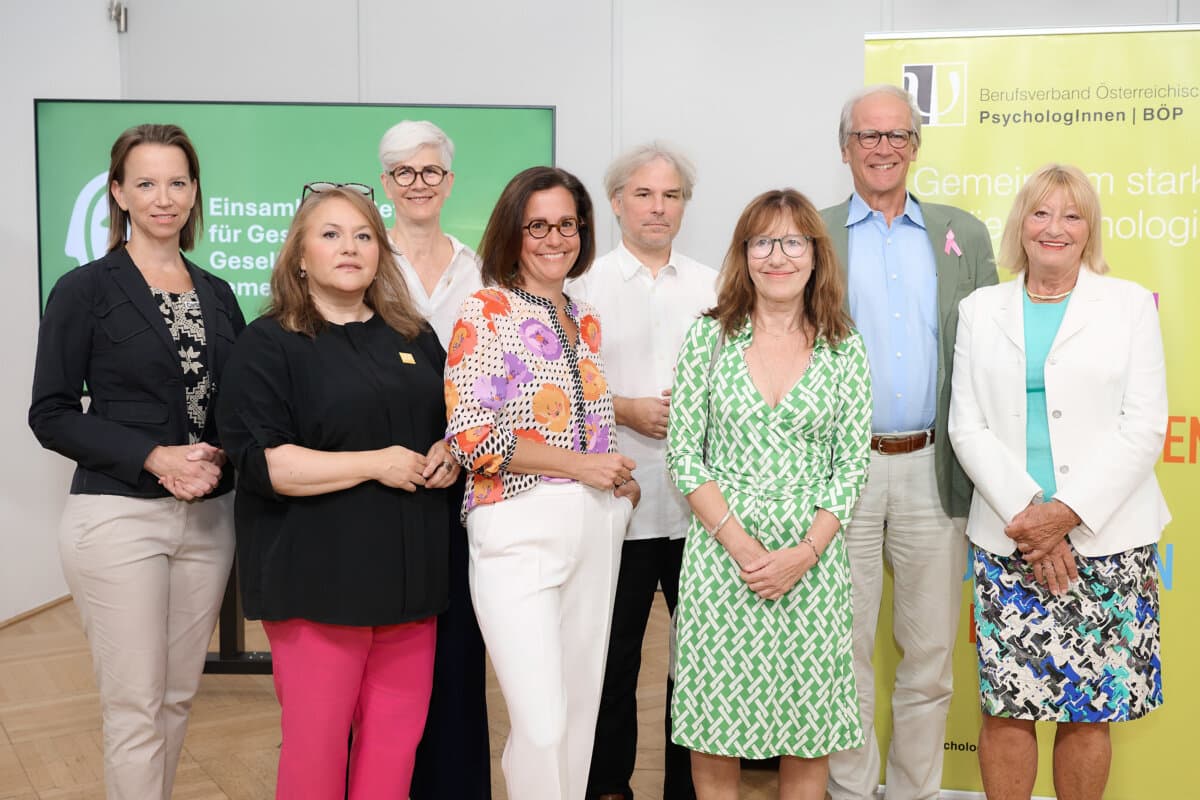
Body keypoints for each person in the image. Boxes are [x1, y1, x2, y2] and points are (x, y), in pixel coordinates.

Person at [216, 183, 456, 799]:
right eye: (330, 234)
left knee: (395, 746)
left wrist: (447, 454)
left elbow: (448, 427)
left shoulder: (414, 335)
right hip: (317, 584)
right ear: (299, 255)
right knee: (317, 747)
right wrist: (376, 463)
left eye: (363, 235)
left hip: (412, 580)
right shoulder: (267, 344)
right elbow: (268, 463)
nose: (349, 247)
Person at [29, 123, 245, 799]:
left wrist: (222, 459)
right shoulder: (84, 290)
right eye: (145, 183)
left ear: (195, 191)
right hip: (117, 518)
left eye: (177, 182)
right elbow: (52, 412)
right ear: (117, 193)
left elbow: (233, 409)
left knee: (178, 698)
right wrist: (155, 457)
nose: (163, 197)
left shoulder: (217, 294)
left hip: (209, 521)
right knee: (134, 708)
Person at [948, 163, 1169, 800]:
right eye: (1042, 213)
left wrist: (1064, 515)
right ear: (1022, 224)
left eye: (1072, 216)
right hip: (1009, 536)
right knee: (1007, 707)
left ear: (1089, 229)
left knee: (1089, 708)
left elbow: (1144, 426)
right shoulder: (979, 308)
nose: (1055, 228)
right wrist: (1033, 520)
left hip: (1108, 540)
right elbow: (968, 426)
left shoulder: (1127, 304)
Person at [821, 84, 998, 800]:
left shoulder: (963, 232)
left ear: (915, 147)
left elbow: (992, 353)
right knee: (845, 652)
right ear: (846, 149)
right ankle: (850, 791)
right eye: (869, 136)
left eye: (897, 135)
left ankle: (915, 791)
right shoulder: (814, 232)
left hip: (936, 467)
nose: (884, 147)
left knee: (928, 657)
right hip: (842, 472)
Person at [667, 188, 872, 799]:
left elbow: (850, 467)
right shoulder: (707, 338)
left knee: (807, 736)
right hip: (721, 561)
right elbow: (684, 455)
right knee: (714, 736)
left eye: (792, 242)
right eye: (762, 242)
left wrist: (802, 554)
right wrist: (743, 548)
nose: (777, 256)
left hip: (812, 565)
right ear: (744, 254)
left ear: (815, 255)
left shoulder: (844, 346)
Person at [443, 165, 640, 800]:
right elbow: (471, 435)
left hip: (595, 526)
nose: (556, 238)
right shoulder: (486, 308)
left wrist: (616, 487)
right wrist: (581, 465)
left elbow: (594, 424)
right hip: (516, 527)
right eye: (539, 226)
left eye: (568, 224)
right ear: (513, 231)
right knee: (542, 720)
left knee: (581, 718)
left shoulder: (585, 319)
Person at [569, 142, 713, 800]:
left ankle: (689, 788)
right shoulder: (581, 288)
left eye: (672, 195)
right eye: (644, 194)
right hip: (614, 506)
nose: (658, 207)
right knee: (610, 660)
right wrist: (620, 407)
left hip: (701, 511)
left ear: (685, 204)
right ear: (617, 202)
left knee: (699, 666)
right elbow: (556, 394)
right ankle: (607, 787)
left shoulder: (715, 287)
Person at [377, 119, 490, 800]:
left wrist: (457, 445)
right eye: (404, 173)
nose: (419, 184)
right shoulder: (362, 259)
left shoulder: (480, 268)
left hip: (462, 474)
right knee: (385, 653)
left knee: (456, 652)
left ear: (449, 182)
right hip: (378, 477)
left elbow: (494, 376)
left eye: (431, 172)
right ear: (386, 183)